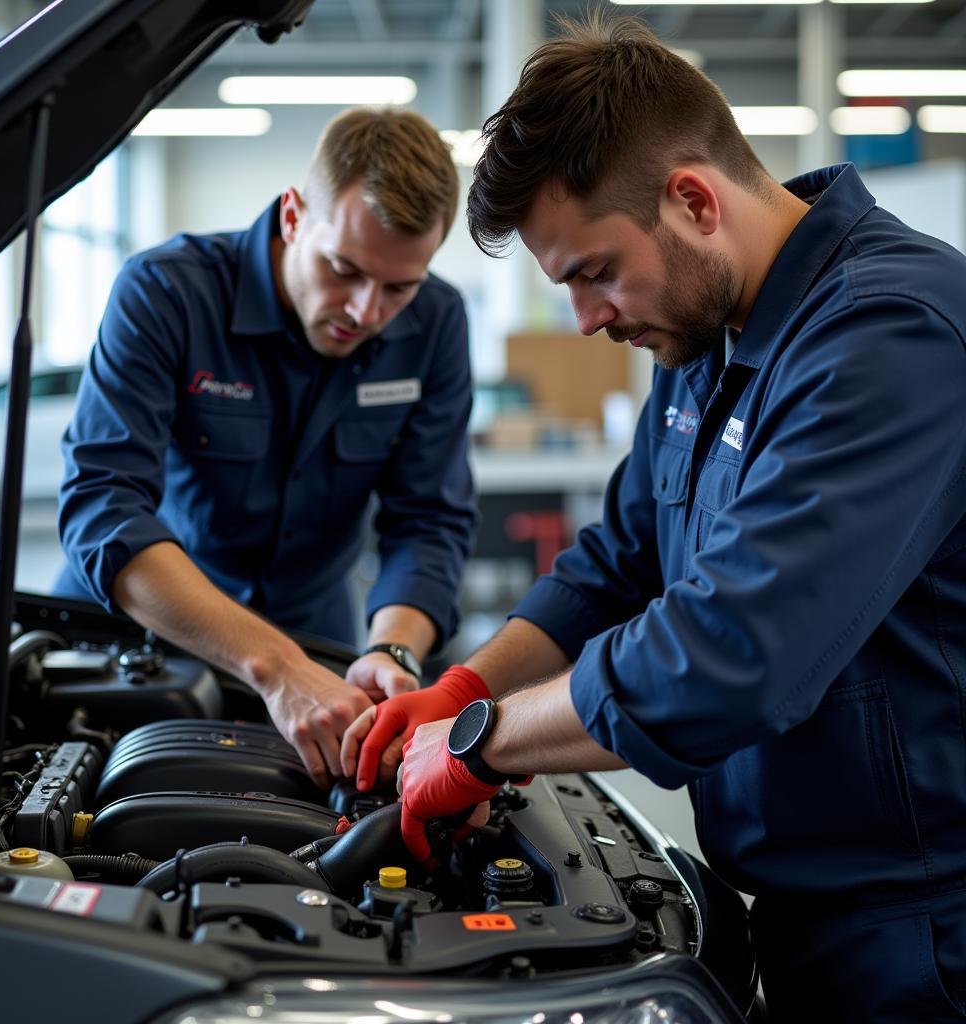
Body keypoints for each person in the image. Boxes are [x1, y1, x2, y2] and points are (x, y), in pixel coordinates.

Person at [342, 14, 966, 1023]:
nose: (588, 320)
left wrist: (477, 740)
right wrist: (462, 684)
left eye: (594, 271)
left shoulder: (891, 336)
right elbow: (616, 561)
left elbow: (730, 650)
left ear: (691, 200)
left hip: (927, 933)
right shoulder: (706, 340)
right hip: (808, 915)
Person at [56, 107, 477, 787]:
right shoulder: (166, 292)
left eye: (398, 286)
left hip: (319, 638)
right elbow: (103, 506)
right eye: (343, 269)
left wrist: (392, 649)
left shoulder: (437, 324)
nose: (366, 312)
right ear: (292, 216)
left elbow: (429, 518)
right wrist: (276, 668)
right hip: (141, 636)